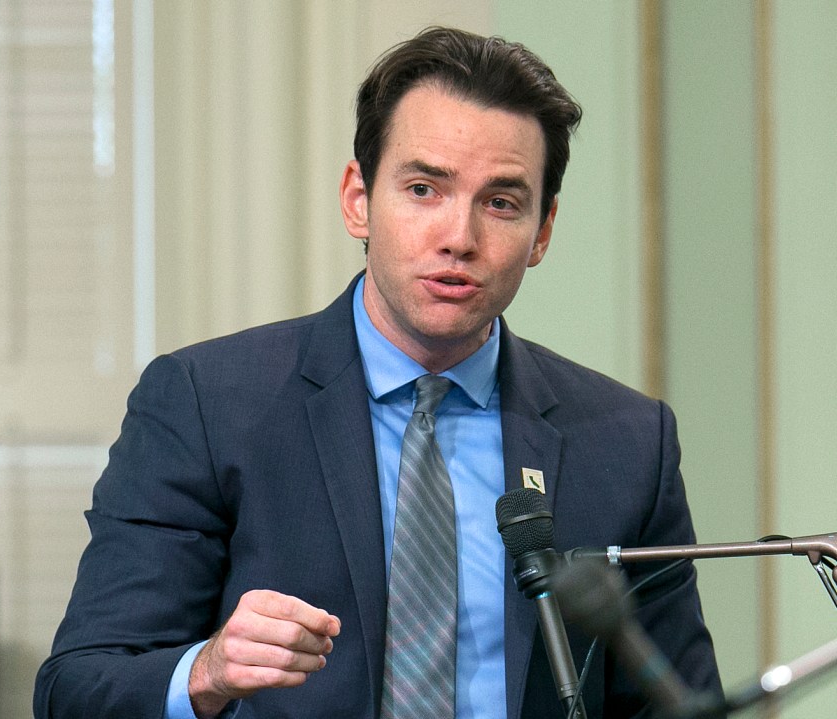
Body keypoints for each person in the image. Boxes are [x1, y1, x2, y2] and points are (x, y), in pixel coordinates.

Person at [35, 26, 722, 719]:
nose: (460, 236)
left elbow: (679, 704)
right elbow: (78, 688)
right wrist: (207, 671)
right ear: (357, 198)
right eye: (424, 188)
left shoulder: (627, 442)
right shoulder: (209, 405)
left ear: (542, 231)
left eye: (502, 202)